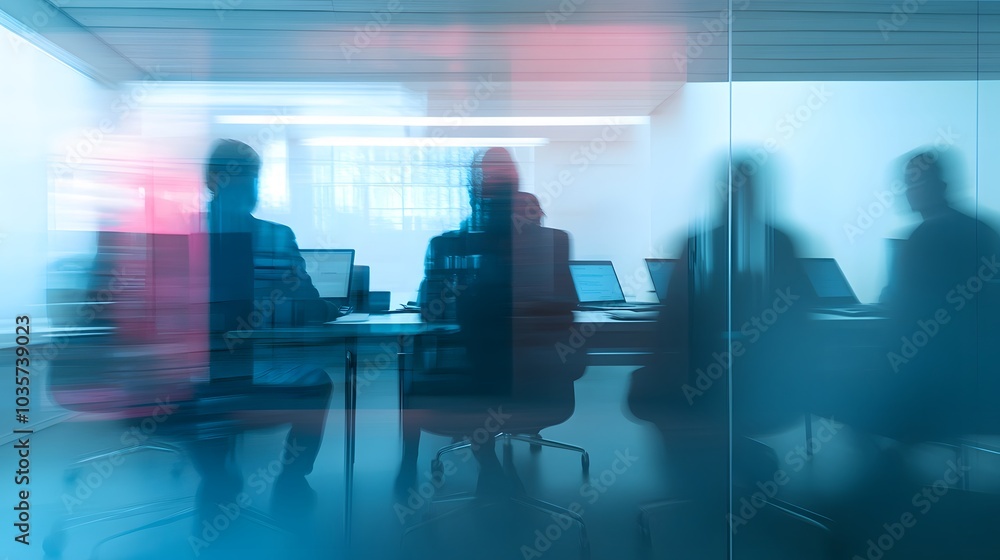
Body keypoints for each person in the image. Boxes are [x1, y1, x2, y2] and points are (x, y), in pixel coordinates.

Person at [195, 139, 339, 513]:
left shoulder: (182, 236)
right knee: (318, 382)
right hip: (257, 381)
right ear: (216, 178)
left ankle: (215, 476)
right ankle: (293, 478)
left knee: (209, 390)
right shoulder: (276, 237)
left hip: (187, 384)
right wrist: (328, 308)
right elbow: (306, 307)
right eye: (247, 176)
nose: (251, 185)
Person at [878, 148, 1000, 440]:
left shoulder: (922, 239)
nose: (908, 190)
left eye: (916, 181)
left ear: (941, 186)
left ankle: (887, 468)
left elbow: (901, 315)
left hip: (935, 388)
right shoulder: (985, 231)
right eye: (906, 182)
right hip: (985, 385)